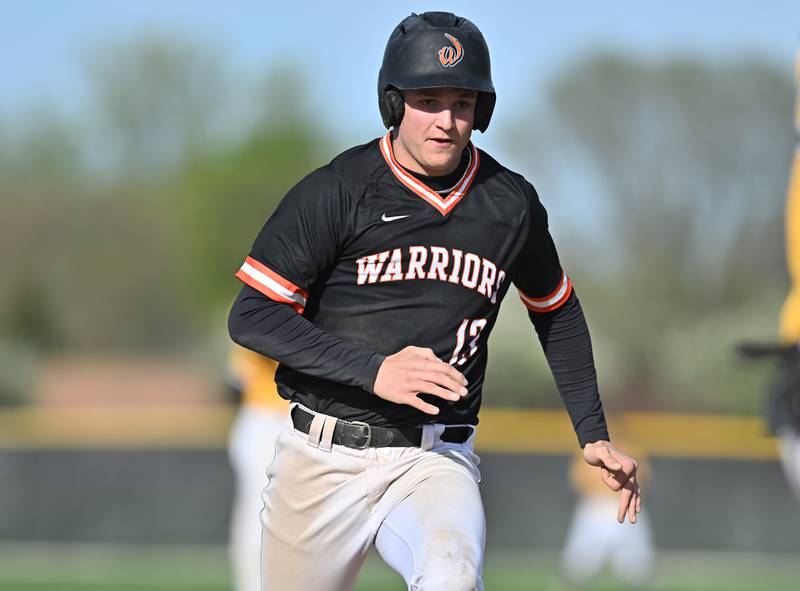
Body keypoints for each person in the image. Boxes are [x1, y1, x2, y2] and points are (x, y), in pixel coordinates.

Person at [228, 11, 640, 591]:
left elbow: (556, 308)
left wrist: (592, 431)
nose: (447, 120)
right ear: (394, 103)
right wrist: (374, 372)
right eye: (428, 99)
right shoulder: (338, 191)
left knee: (450, 574)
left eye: (463, 102)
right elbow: (253, 315)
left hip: (434, 460)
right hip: (321, 457)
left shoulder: (509, 204)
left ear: (483, 111)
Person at [225, 347, 288, 591]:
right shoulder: (266, 309)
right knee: (259, 516)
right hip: (265, 420)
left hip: (290, 422)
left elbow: (233, 379)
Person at [558, 437, 655, 589]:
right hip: (595, 506)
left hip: (623, 505)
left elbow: (643, 480)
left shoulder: (631, 450)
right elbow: (577, 480)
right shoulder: (589, 450)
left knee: (638, 570)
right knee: (577, 568)